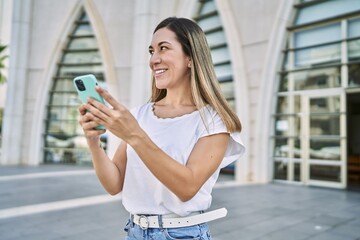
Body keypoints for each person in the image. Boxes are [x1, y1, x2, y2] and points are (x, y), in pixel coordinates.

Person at [78, 17, 245, 240]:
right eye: (151, 51)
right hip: (135, 231)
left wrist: (135, 135)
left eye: (163, 48)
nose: (154, 59)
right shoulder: (139, 115)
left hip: (183, 235)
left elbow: (187, 187)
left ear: (190, 58)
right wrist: (94, 142)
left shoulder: (213, 120)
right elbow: (114, 184)